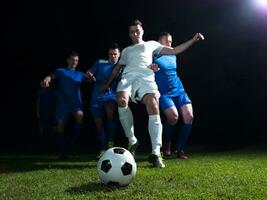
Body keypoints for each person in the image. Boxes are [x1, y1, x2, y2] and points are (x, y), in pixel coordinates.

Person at [101, 19, 204, 168]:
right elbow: (117, 69)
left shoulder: (151, 45)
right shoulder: (126, 51)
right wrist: (107, 84)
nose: (135, 33)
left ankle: (156, 153)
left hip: (146, 78)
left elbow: (174, 50)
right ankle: (132, 140)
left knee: (153, 105)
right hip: (128, 78)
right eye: (132, 31)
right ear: (129, 34)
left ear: (142, 31)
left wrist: (193, 40)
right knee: (121, 100)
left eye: (137, 30)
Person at [153, 32, 203, 159]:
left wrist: (193, 39)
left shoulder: (172, 54)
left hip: (179, 90)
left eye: (170, 41)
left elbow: (177, 49)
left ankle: (180, 149)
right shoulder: (153, 55)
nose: (169, 44)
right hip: (164, 93)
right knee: (173, 118)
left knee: (189, 116)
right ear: (159, 43)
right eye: (166, 41)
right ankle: (166, 143)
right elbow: (143, 66)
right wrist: (150, 67)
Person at [40, 51, 89, 158]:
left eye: (76, 60)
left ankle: (72, 145)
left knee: (80, 116)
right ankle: (63, 152)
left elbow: (90, 79)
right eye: (72, 60)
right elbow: (51, 76)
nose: (74, 62)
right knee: (60, 127)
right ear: (68, 60)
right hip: (63, 104)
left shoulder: (80, 74)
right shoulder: (61, 71)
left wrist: (91, 77)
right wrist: (46, 79)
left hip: (76, 103)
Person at [86, 43, 121, 158]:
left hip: (111, 93)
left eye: (115, 54)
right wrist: (90, 75)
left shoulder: (122, 66)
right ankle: (102, 148)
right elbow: (90, 75)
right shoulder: (100, 62)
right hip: (97, 94)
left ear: (119, 54)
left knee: (110, 111)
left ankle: (110, 143)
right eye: (110, 54)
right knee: (98, 122)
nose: (113, 56)